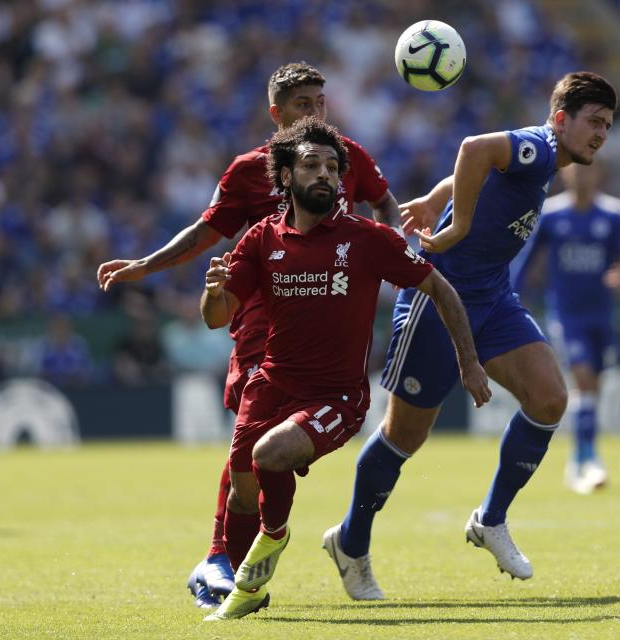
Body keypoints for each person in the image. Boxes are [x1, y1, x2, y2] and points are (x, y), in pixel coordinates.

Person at [95, 62, 400, 608]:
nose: (314, 112)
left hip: (329, 319)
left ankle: (233, 558)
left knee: (268, 449)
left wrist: (395, 243)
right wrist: (146, 266)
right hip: (264, 325)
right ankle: (223, 559)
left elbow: (382, 202)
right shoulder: (249, 171)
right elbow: (206, 231)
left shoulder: (342, 155)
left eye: (319, 102)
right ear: (276, 114)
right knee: (252, 442)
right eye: (302, 104)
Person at [323, 71, 617, 599]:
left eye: (607, 126)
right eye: (593, 122)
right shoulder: (541, 148)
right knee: (405, 435)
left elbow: (483, 170)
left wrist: (438, 200)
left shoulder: (548, 155)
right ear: (560, 120)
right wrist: (453, 226)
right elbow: (474, 147)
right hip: (439, 296)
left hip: (492, 298)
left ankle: (491, 519)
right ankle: (351, 541)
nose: (600, 133)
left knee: (549, 399)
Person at [200, 117, 490, 620]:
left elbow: (440, 289)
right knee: (242, 496)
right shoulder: (262, 240)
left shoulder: (367, 238)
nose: (325, 175)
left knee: (271, 455)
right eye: (311, 165)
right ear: (286, 177)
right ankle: (246, 596)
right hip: (268, 385)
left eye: (333, 167)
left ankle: (274, 540)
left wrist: (470, 362)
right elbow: (217, 316)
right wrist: (211, 291)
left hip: (337, 396)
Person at [512, 162, 620, 494]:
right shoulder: (552, 215)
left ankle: (578, 460)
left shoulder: (612, 214)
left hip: (601, 315)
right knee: (583, 380)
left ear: (599, 175)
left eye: (589, 171)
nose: (582, 176)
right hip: (566, 316)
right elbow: (526, 262)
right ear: (566, 175)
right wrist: (511, 293)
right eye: (577, 171)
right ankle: (589, 458)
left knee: (592, 388)